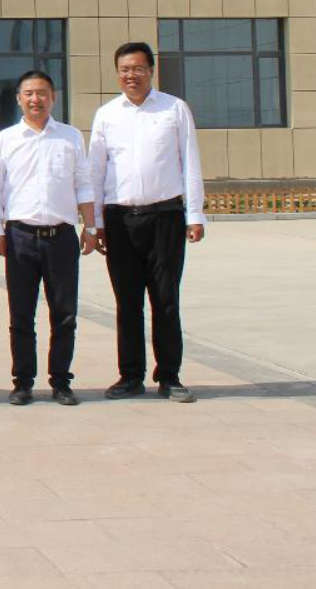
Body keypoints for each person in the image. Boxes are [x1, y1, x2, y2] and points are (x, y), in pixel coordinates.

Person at [88, 42, 207, 403]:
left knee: (166, 299)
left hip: (165, 217)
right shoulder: (106, 115)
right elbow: (96, 171)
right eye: (125, 70)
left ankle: (169, 376)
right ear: (117, 74)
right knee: (127, 302)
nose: (131, 76)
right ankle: (130, 376)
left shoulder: (174, 109)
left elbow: (190, 162)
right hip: (120, 220)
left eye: (138, 68)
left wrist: (195, 213)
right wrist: (95, 223)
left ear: (151, 71)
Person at [0, 69, 97, 407]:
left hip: (61, 237)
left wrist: (91, 227)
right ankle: (23, 382)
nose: (36, 99)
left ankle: (61, 381)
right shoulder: (5, 140)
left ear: (53, 98)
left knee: (64, 314)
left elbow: (84, 184)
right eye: (29, 93)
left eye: (42, 93)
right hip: (19, 237)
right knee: (21, 315)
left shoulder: (70, 137)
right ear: (19, 99)